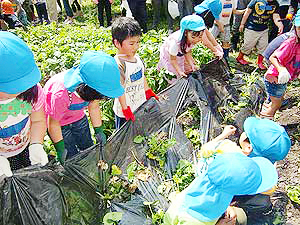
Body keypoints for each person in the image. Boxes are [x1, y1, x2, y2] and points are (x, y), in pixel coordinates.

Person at [198, 116, 291, 224]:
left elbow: (205, 149)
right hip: (237, 198)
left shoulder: (228, 152)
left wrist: (224, 135)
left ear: (248, 147)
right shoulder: (266, 173)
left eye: (246, 133)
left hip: (211, 193)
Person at [44, 51, 124, 162]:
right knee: (70, 155)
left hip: (78, 118)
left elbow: (94, 107)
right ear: (88, 91)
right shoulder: (60, 95)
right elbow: (53, 124)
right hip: (59, 124)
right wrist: (60, 149)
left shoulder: (92, 86)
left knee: (87, 148)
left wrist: (99, 131)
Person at [163, 152, 278, 224]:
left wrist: (225, 207)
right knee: (242, 218)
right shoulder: (193, 221)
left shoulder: (207, 179)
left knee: (241, 217)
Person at [0, 32, 48, 177]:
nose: (21, 90)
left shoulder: (32, 91)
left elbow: (38, 120)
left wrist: (36, 144)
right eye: (13, 87)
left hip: (27, 145)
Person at [111, 17, 159, 129]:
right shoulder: (118, 64)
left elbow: (142, 76)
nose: (136, 47)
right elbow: (119, 90)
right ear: (117, 43)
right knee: (125, 138)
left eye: (138, 42)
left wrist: (147, 91)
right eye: (131, 44)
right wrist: (125, 109)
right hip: (125, 111)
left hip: (139, 103)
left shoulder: (136, 58)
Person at [157, 15, 223, 83]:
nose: (196, 40)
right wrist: (180, 72)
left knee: (186, 67)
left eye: (200, 37)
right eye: (194, 37)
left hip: (179, 53)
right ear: (185, 33)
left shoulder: (190, 39)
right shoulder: (175, 43)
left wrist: (191, 64)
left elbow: (187, 51)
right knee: (174, 76)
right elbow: (173, 60)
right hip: (170, 57)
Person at [259, 10, 300, 119]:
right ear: (295, 27)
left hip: (284, 78)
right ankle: (266, 121)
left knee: (278, 99)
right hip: (275, 77)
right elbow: (272, 57)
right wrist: (281, 69)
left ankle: (267, 109)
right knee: (276, 103)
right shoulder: (291, 43)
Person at [236, 0, 283, 70]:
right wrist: (242, 24)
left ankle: (260, 62)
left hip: (264, 29)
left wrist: (280, 25)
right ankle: (240, 58)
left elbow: (276, 16)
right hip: (251, 28)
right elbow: (248, 11)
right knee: (248, 45)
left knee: (263, 46)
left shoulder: (275, 4)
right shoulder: (256, 0)